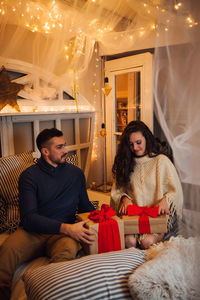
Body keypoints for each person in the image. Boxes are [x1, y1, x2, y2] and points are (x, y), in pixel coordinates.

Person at [0, 128, 95, 300]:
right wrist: (67, 228)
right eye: (59, 147)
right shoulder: (28, 177)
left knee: (66, 253)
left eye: (64, 145)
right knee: (6, 251)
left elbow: (85, 207)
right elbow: (29, 219)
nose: (66, 150)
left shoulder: (76, 174)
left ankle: (53, 293)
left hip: (62, 235)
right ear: (45, 151)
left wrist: (102, 218)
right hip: (33, 232)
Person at [111, 120, 183, 250]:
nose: (135, 148)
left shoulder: (161, 161)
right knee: (129, 242)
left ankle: (160, 235)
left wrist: (166, 200)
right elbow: (117, 190)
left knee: (147, 242)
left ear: (147, 139)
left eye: (139, 143)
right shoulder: (126, 163)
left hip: (157, 216)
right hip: (135, 217)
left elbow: (175, 190)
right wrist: (124, 198)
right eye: (131, 144)